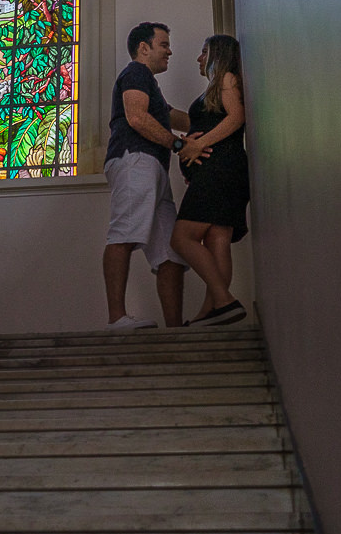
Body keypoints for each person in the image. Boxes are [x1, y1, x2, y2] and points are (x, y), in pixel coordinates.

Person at [103, 22, 209, 330]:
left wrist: (212, 125)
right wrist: (179, 145)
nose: (170, 51)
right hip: (135, 160)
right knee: (124, 233)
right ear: (143, 48)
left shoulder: (147, 82)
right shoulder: (136, 72)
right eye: (163, 45)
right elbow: (137, 118)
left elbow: (173, 116)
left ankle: (174, 329)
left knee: (170, 252)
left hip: (152, 166)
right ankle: (116, 319)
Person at [172, 34, 251, 326]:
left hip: (220, 170)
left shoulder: (226, 79)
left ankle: (224, 300)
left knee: (182, 238)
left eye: (204, 52)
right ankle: (212, 312)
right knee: (217, 239)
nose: (199, 58)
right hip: (224, 171)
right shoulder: (219, 85)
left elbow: (236, 117)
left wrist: (197, 145)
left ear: (218, 54)